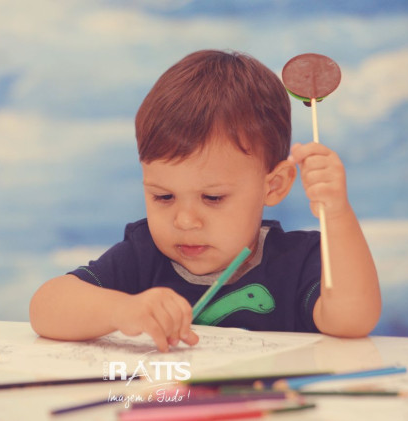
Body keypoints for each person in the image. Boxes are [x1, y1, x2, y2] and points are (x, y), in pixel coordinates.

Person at [29, 49, 381, 352]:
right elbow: (46, 307)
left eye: (212, 197)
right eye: (163, 196)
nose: (185, 220)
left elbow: (352, 320)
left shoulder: (298, 261)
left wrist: (337, 213)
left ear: (273, 186)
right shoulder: (143, 255)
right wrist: (121, 310)